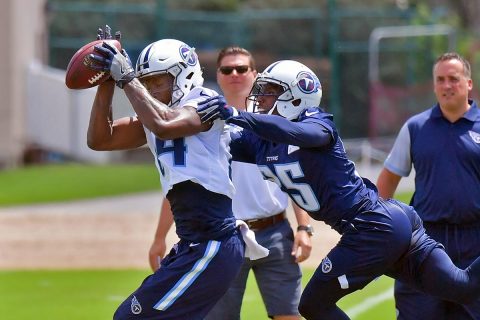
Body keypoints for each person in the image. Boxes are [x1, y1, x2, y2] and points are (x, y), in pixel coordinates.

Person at [196, 59, 480, 320]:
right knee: (463, 286)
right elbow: (215, 147)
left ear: (296, 96)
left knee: (312, 305)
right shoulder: (261, 140)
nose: (263, 98)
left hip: (370, 225)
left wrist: (237, 115)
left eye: (271, 90)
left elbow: (303, 135)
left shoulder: (317, 122)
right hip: (387, 222)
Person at [87, 27, 267, 320]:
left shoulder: (204, 100)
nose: (150, 90)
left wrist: (128, 79)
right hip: (192, 244)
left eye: (157, 81)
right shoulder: (156, 112)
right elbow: (100, 139)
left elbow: (166, 124)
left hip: (213, 243)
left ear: (183, 74)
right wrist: (106, 82)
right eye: (147, 82)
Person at [148, 46, 312, 320]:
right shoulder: (198, 121)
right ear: (219, 76)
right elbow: (180, 184)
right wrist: (158, 238)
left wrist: (304, 227)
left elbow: (290, 176)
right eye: (227, 69)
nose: (235, 74)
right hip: (224, 237)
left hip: (274, 230)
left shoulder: (272, 121)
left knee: (289, 316)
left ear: (255, 74)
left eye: (242, 68)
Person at [376, 52, 480, 319]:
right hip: (425, 242)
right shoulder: (415, 127)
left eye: (454, 79)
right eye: (441, 79)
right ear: (434, 85)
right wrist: (378, 230)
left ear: (468, 83)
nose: (447, 85)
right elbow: (387, 180)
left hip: (475, 244)